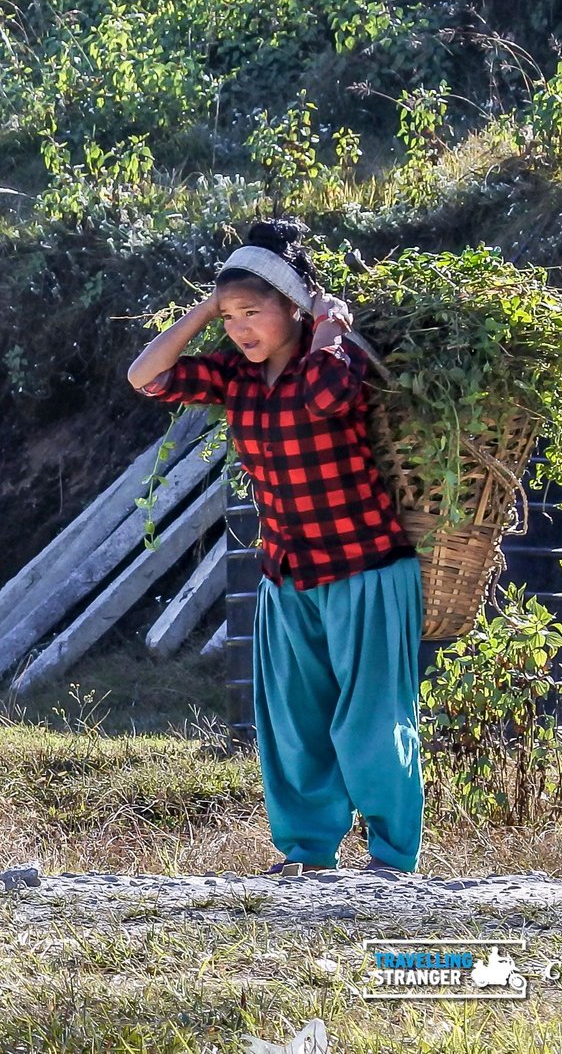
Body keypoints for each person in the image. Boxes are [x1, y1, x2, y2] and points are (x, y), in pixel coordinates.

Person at [127, 220, 425, 875]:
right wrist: (210, 306)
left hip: (366, 570)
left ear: (293, 307)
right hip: (287, 575)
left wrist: (329, 326)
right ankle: (308, 853)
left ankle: (391, 859)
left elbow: (325, 397)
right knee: (293, 727)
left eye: (253, 312)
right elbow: (146, 376)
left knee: (371, 723)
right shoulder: (233, 374)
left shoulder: (334, 357)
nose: (240, 329)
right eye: (230, 317)